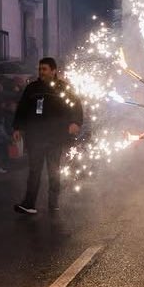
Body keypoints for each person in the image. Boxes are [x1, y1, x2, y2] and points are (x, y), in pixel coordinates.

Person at [12, 57, 83, 215]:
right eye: (40, 69)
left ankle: (53, 203)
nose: (41, 72)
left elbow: (76, 105)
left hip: (55, 137)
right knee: (34, 171)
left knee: (53, 171)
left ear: (53, 70)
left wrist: (75, 122)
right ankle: (29, 203)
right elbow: (22, 109)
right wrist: (18, 127)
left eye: (44, 69)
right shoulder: (32, 88)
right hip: (35, 136)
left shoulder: (63, 88)